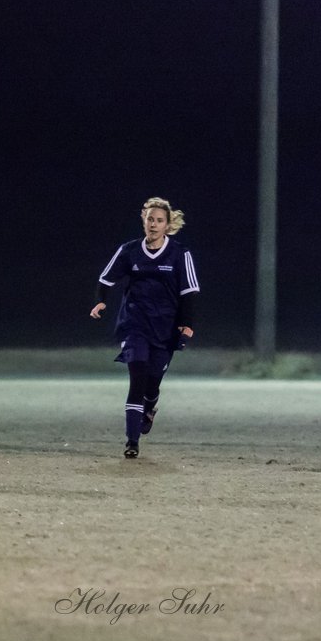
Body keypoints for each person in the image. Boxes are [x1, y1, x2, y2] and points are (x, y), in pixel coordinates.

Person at [90, 196, 200, 458]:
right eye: (150, 219)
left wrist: (187, 326)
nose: (153, 224)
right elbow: (105, 280)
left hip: (165, 329)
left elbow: (190, 292)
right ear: (144, 220)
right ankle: (132, 441)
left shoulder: (180, 254)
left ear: (167, 225)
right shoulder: (129, 250)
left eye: (159, 220)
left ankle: (150, 406)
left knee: (152, 383)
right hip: (134, 325)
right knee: (137, 378)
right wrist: (100, 302)